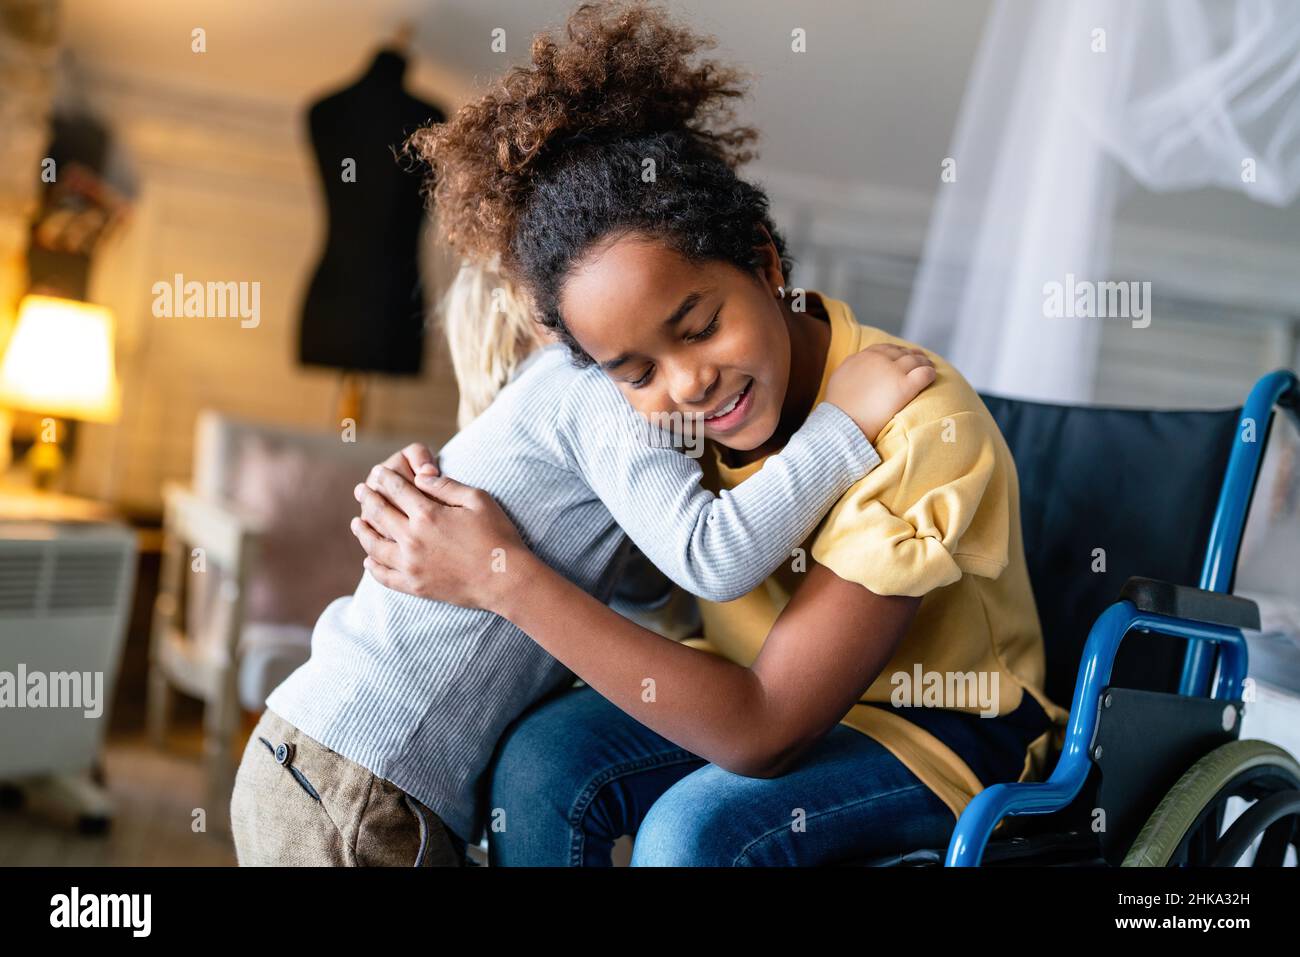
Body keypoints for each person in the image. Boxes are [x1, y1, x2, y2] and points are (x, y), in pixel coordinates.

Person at [357, 0, 1069, 866]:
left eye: (698, 326)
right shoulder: (647, 411)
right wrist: (446, 512)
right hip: (751, 685)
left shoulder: (922, 425)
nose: (687, 383)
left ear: (766, 265)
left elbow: (765, 727)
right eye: (636, 369)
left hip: (936, 729)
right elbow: (649, 587)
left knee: (692, 833)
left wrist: (503, 580)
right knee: (542, 766)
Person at [229, 250, 935, 865]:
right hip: (358, 782)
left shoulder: (575, 394)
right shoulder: (594, 393)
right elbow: (713, 554)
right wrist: (843, 425)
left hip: (322, 760)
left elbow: (645, 591)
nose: (683, 384)